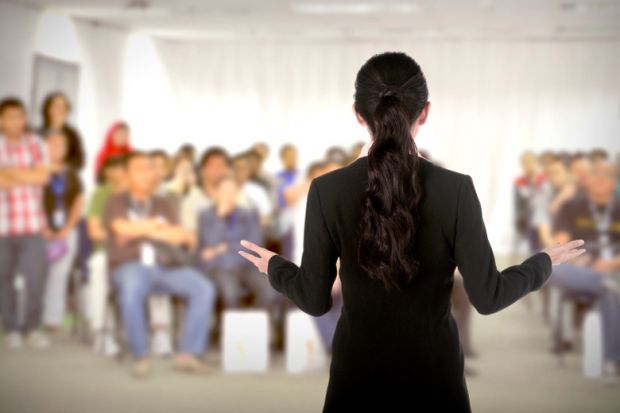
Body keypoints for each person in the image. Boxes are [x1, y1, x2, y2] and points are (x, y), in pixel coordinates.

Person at [237, 52, 585, 412]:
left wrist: (275, 268)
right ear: (425, 112)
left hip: (358, 376)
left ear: (358, 114)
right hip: (434, 377)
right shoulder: (456, 190)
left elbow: (313, 299)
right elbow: (489, 296)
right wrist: (542, 263)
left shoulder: (327, 190)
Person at [103, 151, 216, 377]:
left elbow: (183, 237)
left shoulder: (165, 203)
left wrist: (140, 228)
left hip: (164, 266)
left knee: (203, 287)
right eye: (140, 169)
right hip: (129, 265)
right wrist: (156, 228)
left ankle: (187, 354)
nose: (147, 173)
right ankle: (141, 355)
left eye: (149, 168)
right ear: (126, 175)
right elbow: (121, 229)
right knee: (133, 285)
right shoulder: (116, 201)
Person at [549, 160, 620, 380]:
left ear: (614, 182)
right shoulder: (571, 206)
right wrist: (581, 261)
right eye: (595, 174)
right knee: (551, 268)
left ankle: (611, 361)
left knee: (610, 290)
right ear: (587, 180)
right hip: (580, 268)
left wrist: (611, 264)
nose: (600, 178)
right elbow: (560, 244)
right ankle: (612, 360)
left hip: (615, 267)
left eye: (606, 175)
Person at [0, 97, 51, 349]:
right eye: (10, 117)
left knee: (36, 279)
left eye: (20, 116)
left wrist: (9, 171)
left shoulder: (36, 143)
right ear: (1, 120)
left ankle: (32, 328)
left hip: (32, 226)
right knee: (4, 279)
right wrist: (26, 174)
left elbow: (42, 177)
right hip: (3, 227)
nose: (16, 122)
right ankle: (11, 329)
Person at [197, 174, 277, 314]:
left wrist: (224, 247)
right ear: (216, 193)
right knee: (230, 293)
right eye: (225, 191)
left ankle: (254, 326)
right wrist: (219, 216)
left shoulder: (249, 214)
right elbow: (209, 242)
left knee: (269, 290)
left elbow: (254, 244)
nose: (229, 195)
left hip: (246, 265)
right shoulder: (206, 216)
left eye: (233, 191)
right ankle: (232, 332)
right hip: (219, 267)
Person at [41, 129, 84, 330]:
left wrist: (67, 228)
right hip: (39, 232)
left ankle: (52, 319)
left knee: (60, 275)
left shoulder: (72, 173)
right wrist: (43, 227)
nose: (57, 148)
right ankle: (32, 317)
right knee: (37, 274)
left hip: (67, 232)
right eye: (52, 143)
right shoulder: (36, 170)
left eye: (61, 144)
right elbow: (31, 200)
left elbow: (79, 201)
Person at [85, 154, 127, 356]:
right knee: (99, 267)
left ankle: (160, 331)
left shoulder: (138, 193)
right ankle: (102, 331)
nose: (118, 172)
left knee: (159, 264)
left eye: (121, 167)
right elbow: (94, 231)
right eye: (113, 168)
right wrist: (119, 237)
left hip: (136, 252)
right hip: (108, 251)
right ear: (106, 172)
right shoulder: (100, 194)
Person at [39, 92, 85, 171]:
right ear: (48, 109)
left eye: (64, 106)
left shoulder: (72, 134)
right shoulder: (37, 133)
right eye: (56, 106)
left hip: (64, 177)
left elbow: (79, 162)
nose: (60, 109)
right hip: (39, 176)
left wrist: (60, 167)